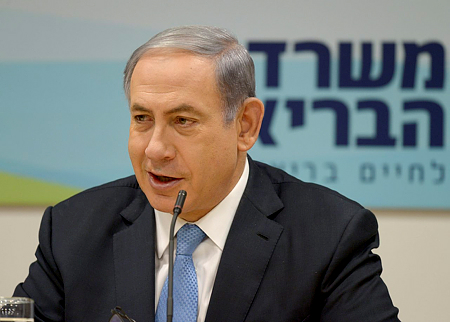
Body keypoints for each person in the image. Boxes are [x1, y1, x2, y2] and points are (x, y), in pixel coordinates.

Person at [14, 26, 400, 321]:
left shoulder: (329, 234)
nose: (154, 149)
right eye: (142, 119)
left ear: (245, 125)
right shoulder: (71, 229)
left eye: (183, 120)